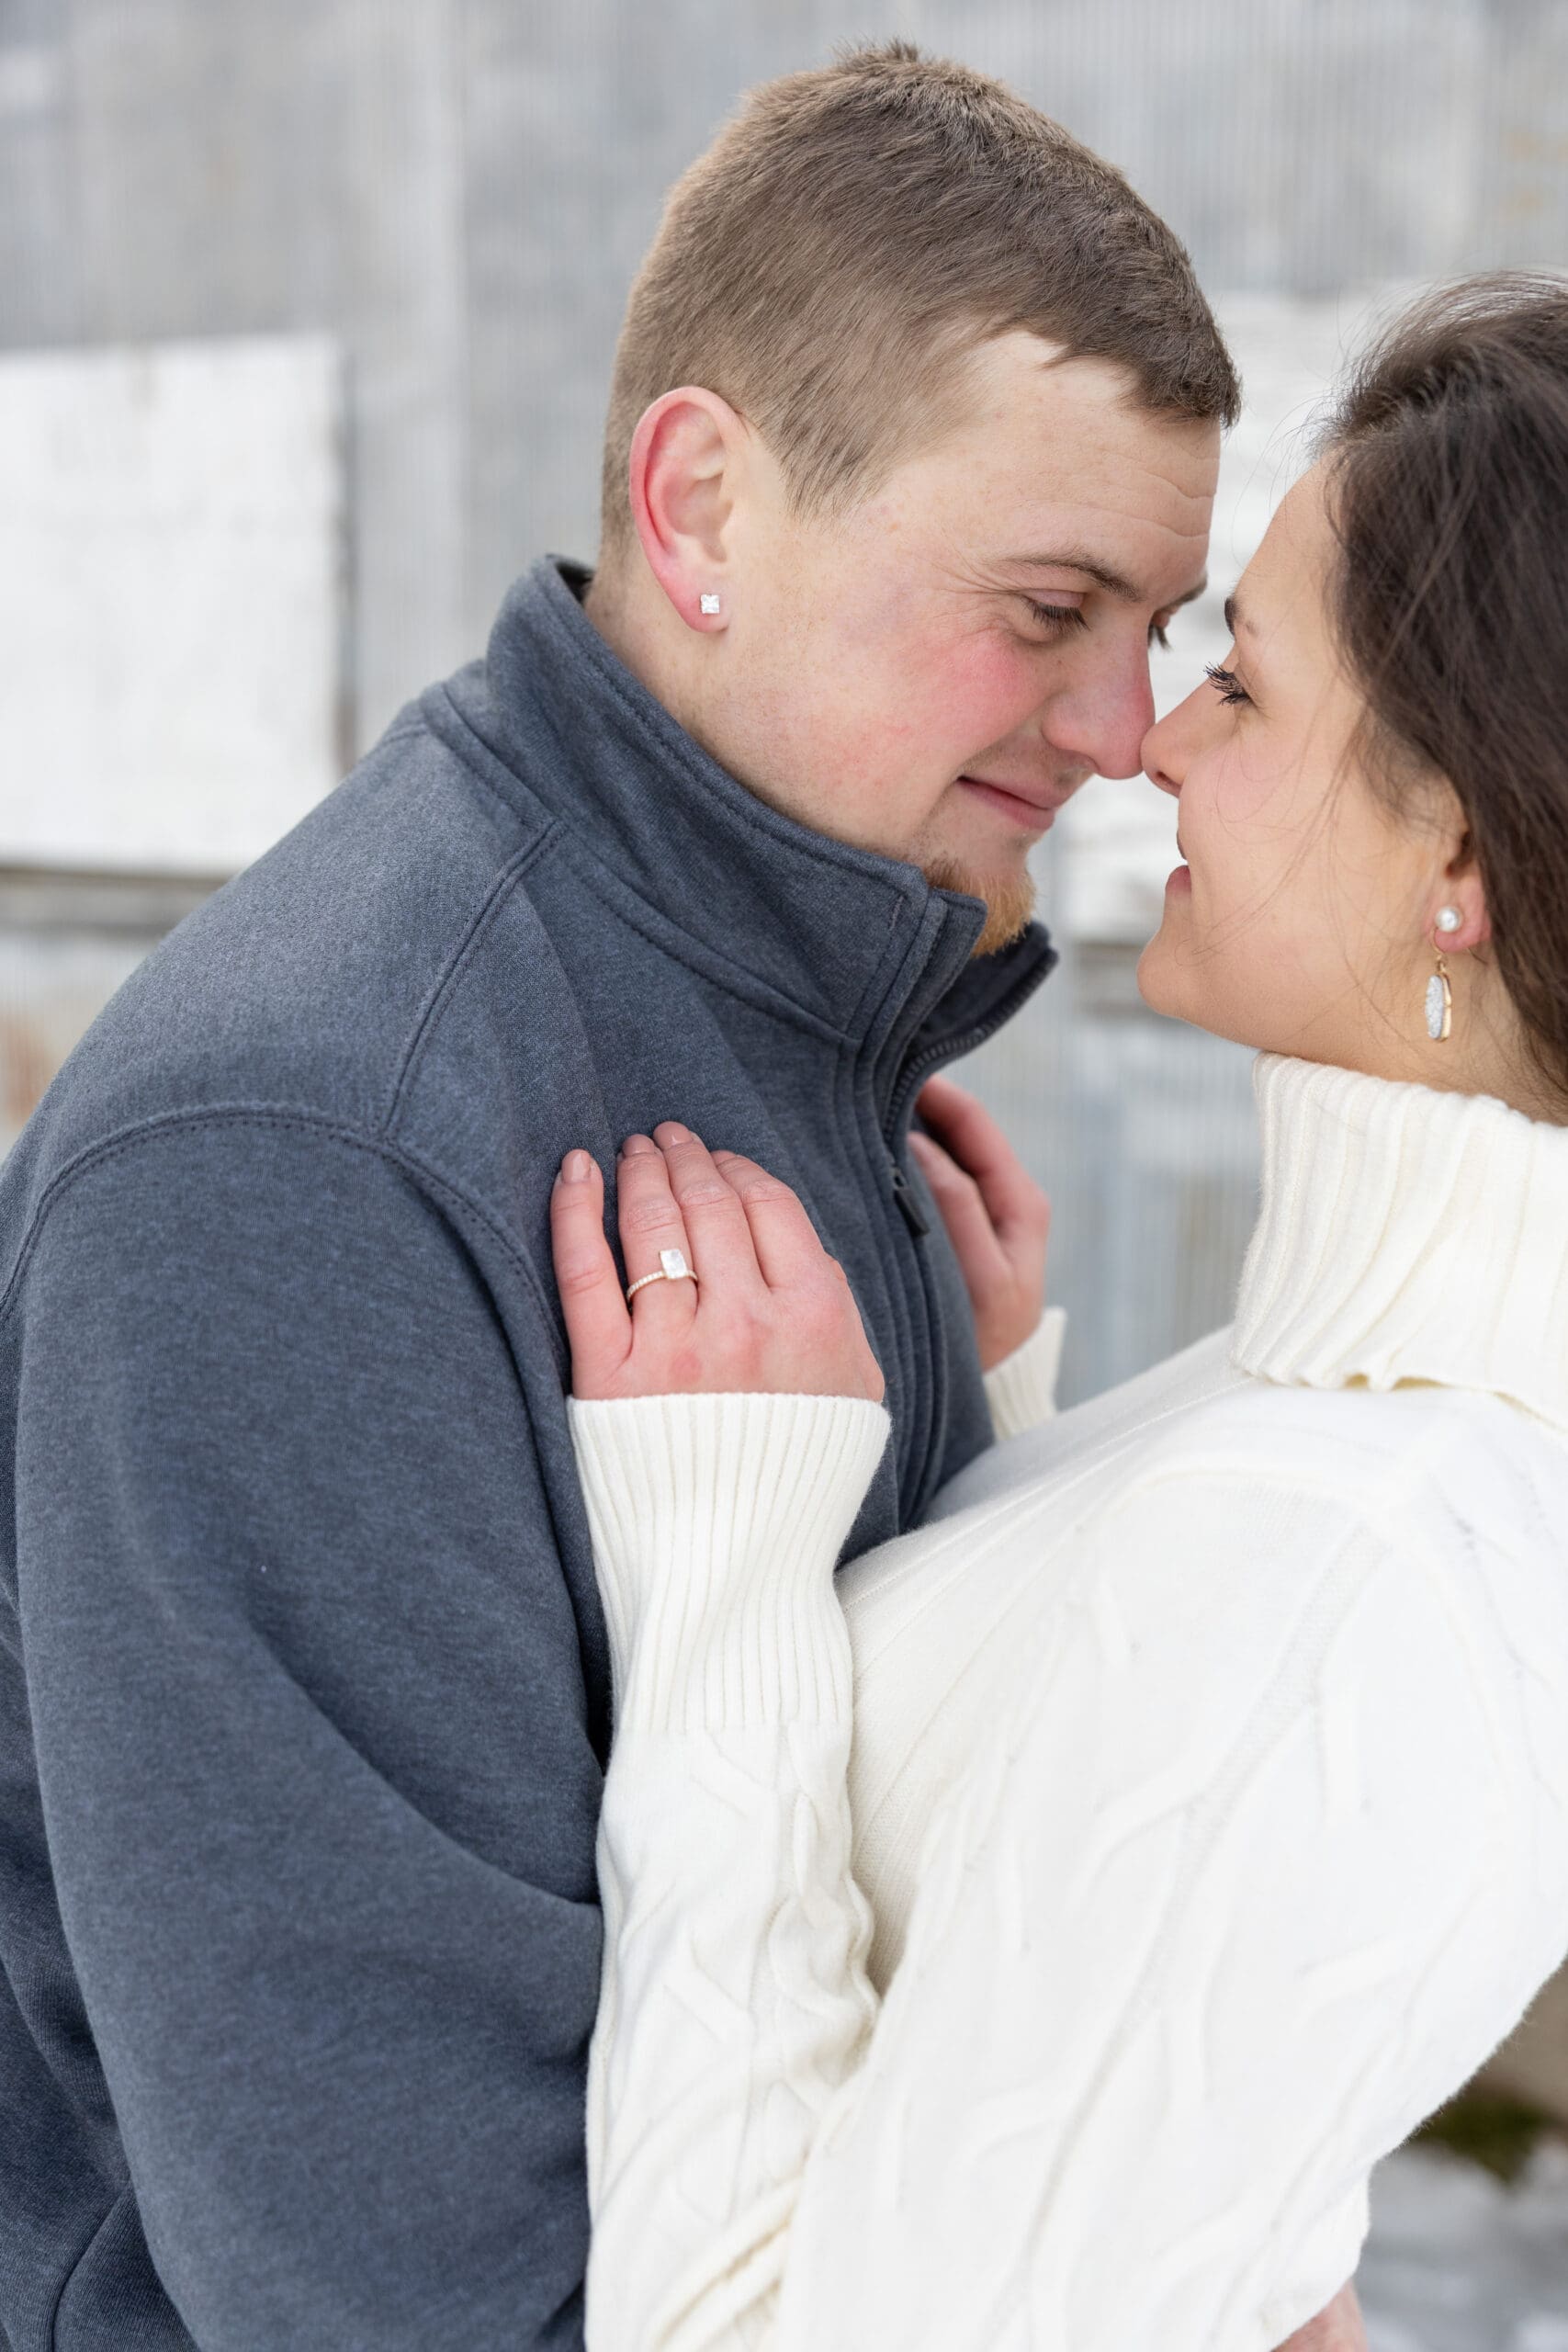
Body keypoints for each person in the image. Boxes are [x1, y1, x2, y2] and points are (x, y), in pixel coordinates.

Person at [6, 40, 1382, 2352]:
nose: (1124, 727)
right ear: (700, 506)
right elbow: (416, 2292)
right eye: (1045, 605)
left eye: (1152, 628)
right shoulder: (302, 1162)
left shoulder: (805, 1016)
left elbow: (878, 1897)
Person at [551, 272, 1568, 2349]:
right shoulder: (1332, 1422)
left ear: (1446, 850)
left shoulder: (1331, 1571)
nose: (1143, 743)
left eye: (1244, 692)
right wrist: (1012, 1457)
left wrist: (730, 1563)